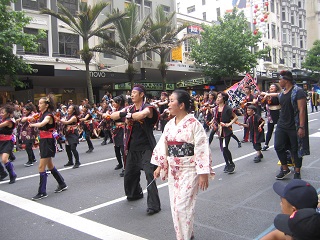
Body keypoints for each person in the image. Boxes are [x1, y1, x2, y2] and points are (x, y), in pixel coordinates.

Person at [152, 89, 214, 240]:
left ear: (181, 105)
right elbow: (163, 146)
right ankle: (186, 235)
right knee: (175, 206)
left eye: (172, 100)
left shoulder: (194, 124)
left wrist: (203, 172)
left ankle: (184, 237)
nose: (169, 103)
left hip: (189, 169)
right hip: (174, 170)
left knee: (183, 206)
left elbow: (201, 148)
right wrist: (160, 165)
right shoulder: (169, 125)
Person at [112, 84, 161, 215]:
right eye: (131, 93)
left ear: (142, 94)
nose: (132, 95)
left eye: (135, 92)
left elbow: (142, 115)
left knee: (149, 174)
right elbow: (113, 115)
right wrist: (125, 113)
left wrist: (129, 115)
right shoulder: (129, 108)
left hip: (146, 147)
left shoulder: (148, 108)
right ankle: (135, 193)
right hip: (132, 147)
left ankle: (154, 205)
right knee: (129, 173)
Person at [267, 70, 309, 180]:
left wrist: (301, 127)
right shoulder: (283, 92)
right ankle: (285, 169)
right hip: (282, 124)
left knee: (295, 149)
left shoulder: (298, 92)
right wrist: (266, 94)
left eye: (280, 79)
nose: (278, 82)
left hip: (294, 125)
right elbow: (277, 95)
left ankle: (297, 171)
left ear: (286, 80)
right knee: (278, 146)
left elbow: (302, 110)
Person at [29, 94, 68, 200]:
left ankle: (42, 192)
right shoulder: (41, 114)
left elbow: (43, 124)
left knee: (41, 167)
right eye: (38, 103)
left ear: (46, 105)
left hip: (47, 141)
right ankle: (62, 183)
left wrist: (33, 125)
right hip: (44, 140)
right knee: (50, 165)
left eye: (41, 103)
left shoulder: (48, 115)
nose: (39, 105)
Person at [211, 92, 238, 173]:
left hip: (226, 130)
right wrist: (212, 123)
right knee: (223, 148)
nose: (218, 98)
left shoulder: (228, 108)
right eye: (217, 97)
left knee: (225, 147)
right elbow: (215, 118)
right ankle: (227, 164)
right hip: (219, 130)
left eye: (219, 97)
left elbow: (235, 117)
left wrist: (228, 124)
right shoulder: (215, 108)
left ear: (223, 98)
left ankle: (231, 163)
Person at [107, 95, 126, 176]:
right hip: (116, 131)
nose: (113, 104)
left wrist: (110, 115)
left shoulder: (123, 110)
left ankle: (126, 168)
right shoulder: (115, 110)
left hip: (122, 130)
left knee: (123, 150)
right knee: (116, 148)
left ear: (119, 102)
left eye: (114, 102)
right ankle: (120, 163)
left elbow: (115, 117)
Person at [260, 83, 281, 151]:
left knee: (280, 130)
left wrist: (267, 94)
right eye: (270, 87)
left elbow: (277, 95)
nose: (271, 88)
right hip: (270, 114)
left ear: (276, 88)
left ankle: (282, 144)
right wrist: (263, 96)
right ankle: (266, 144)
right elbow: (262, 103)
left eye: (273, 87)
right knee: (269, 130)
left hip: (278, 113)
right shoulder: (267, 95)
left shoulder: (278, 94)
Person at [59, 104, 81, 169]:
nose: (68, 109)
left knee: (73, 148)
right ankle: (70, 161)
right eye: (68, 108)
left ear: (74, 110)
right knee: (67, 148)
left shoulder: (74, 117)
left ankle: (77, 162)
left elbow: (67, 122)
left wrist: (61, 120)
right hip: (68, 134)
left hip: (73, 134)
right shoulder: (67, 116)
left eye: (70, 108)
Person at [0, 104, 17, 184]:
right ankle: (3, 173)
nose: (1, 114)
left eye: (3, 112)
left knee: (4, 159)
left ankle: (12, 174)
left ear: (8, 113)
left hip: (7, 141)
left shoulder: (9, 121)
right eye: (1, 112)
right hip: (0, 141)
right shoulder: (2, 119)